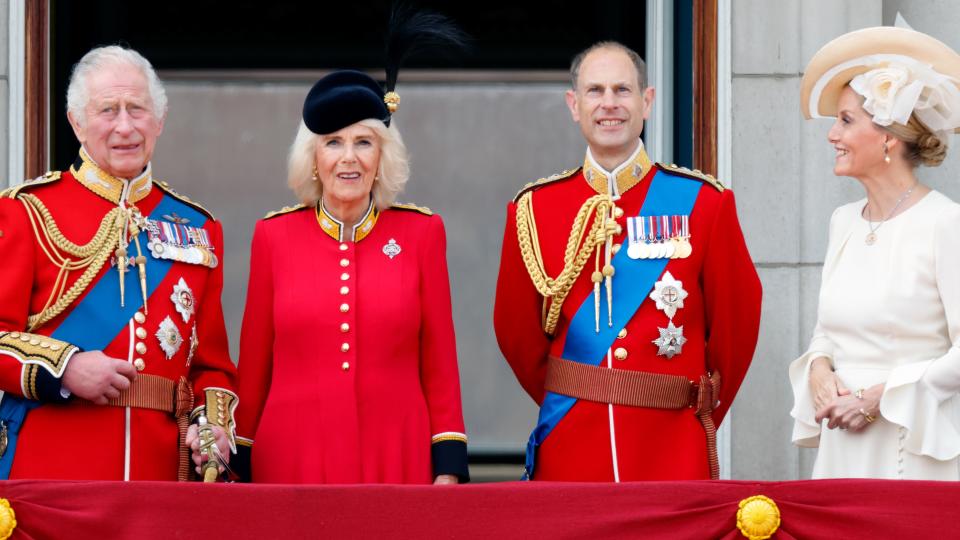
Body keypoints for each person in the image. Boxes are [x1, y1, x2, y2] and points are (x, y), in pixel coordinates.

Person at [493, 41, 762, 482]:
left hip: (671, 445)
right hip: (572, 443)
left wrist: (690, 404)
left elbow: (737, 327)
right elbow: (516, 333)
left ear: (647, 101)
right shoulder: (534, 209)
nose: (609, 104)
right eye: (595, 91)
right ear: (573, 105)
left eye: (623, 90)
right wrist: (578, 393)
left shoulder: (703, 203)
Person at [233, 15, 469, 485]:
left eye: (364, 142)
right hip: (292, 456)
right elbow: (254, 364)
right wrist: (240, 457)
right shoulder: (273, 237)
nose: (348, 157)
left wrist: (448, 462)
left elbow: (440, 361)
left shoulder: (422, 234)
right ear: (314, 159)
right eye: (333, 143)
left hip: (396, 451)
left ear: (382, 156)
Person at [0, 45, 238, 481]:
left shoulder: (198, 227)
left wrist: (213, 428)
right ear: (77, 122)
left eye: (137, 109)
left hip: (160, 476)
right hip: (52, 472)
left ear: (159, 120)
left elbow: (213, 367)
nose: (124, 126)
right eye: (108, 110)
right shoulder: (27, 212)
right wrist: (65, 368)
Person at [792, 26, 960, 479]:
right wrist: (819, 370)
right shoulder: (843, 222)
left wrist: (880, 399)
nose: (831, 134)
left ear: (888, 138)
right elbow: (827, 331)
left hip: (914, 450)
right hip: (842, 448)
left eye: (846, 120)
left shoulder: (946, 223)